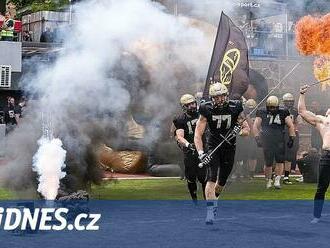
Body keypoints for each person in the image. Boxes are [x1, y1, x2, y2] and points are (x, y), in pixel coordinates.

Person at [194, 83, 249, 224]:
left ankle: (215, 199)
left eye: (222, 96)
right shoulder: (206, 108)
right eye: (216, 97)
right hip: (213, 146)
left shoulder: (235, 107)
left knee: (223, 180)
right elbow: (198, 134)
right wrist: (201, 153)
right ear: (212, 98)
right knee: (211, 177)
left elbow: (246, 129)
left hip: (229, 147)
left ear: (226, 95)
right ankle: (210, 212)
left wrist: (238, 132)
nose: (220, 100)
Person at [298, 85, 330, 224]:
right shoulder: (323, 122)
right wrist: (302, 94)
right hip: (327, 156)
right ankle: (317, 216)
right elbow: (302, 111)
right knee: (321, 187)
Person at [253, 95, 296, 189]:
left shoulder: (283, 111)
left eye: (274, 107)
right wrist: (257, 138)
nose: (272, 109)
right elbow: (255, 125)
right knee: (268, 162)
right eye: (270, 107)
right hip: (267, 139)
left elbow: (290, 125)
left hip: (279, 139)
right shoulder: (262, 111)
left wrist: (292, 137)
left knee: (280, 160)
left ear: (277, 106)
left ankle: (277, 180)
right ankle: (268, 180)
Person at [173, 94, 206, 203]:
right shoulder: (181, 119)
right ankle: (195, 200)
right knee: (191, 178)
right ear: (184, 107)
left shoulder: (202, 114)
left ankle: (208, 201)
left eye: (193, 103)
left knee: (204, 177)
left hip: (203, 148)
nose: (192, 106)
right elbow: (179, 136)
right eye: (189, 104)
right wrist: (188, 145)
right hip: (190, 151)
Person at [282, 93, 301, 184]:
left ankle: (286, 175)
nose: (289, 103)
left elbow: (297, 121)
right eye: (287, 101)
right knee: (278, 154)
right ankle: (275, 173)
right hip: (281, 133)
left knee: (290, 154)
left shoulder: (294, 111)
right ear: (284, 102)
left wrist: (295, 129)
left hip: (291, 134)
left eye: (291, 101)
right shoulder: (280, 110)